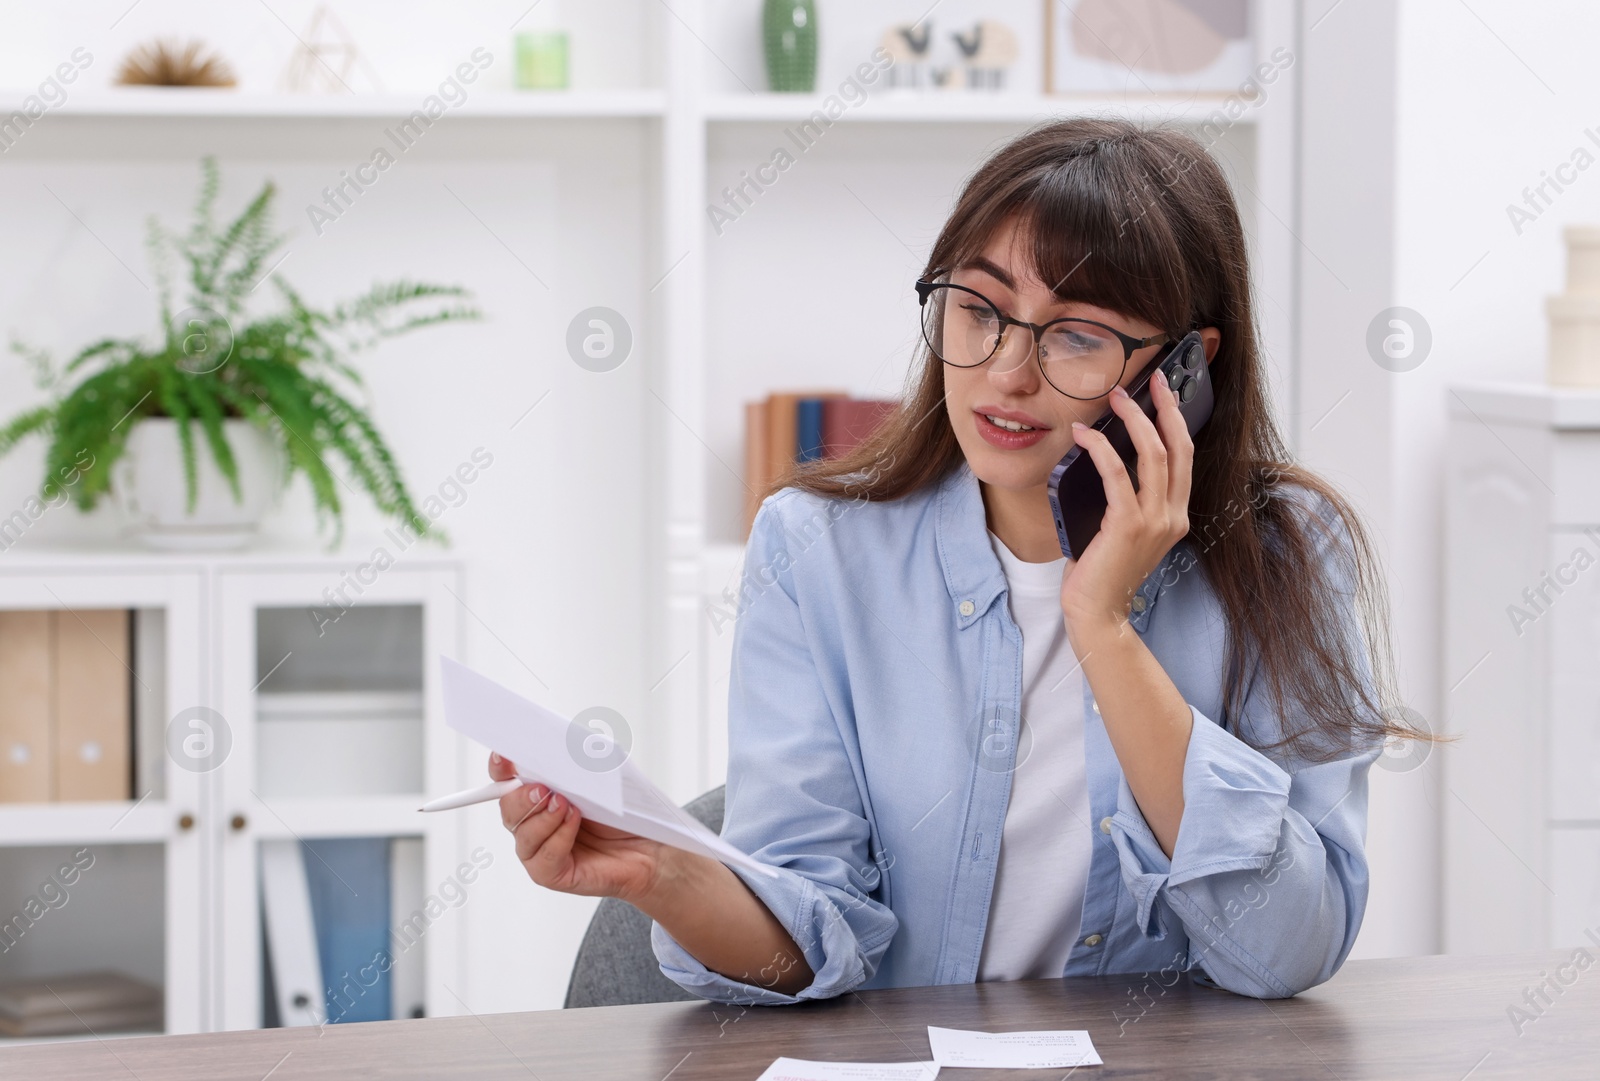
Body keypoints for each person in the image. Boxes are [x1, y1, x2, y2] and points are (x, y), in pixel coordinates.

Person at [490, 116, 1425, 1004]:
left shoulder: (1287, 552)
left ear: (1185, 365)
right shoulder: (816, 550)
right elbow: (807, 939)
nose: (1007, 371)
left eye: (1076, 335)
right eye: (979, 309)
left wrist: (1100, 622)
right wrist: (662, 868)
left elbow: (1288, 948)